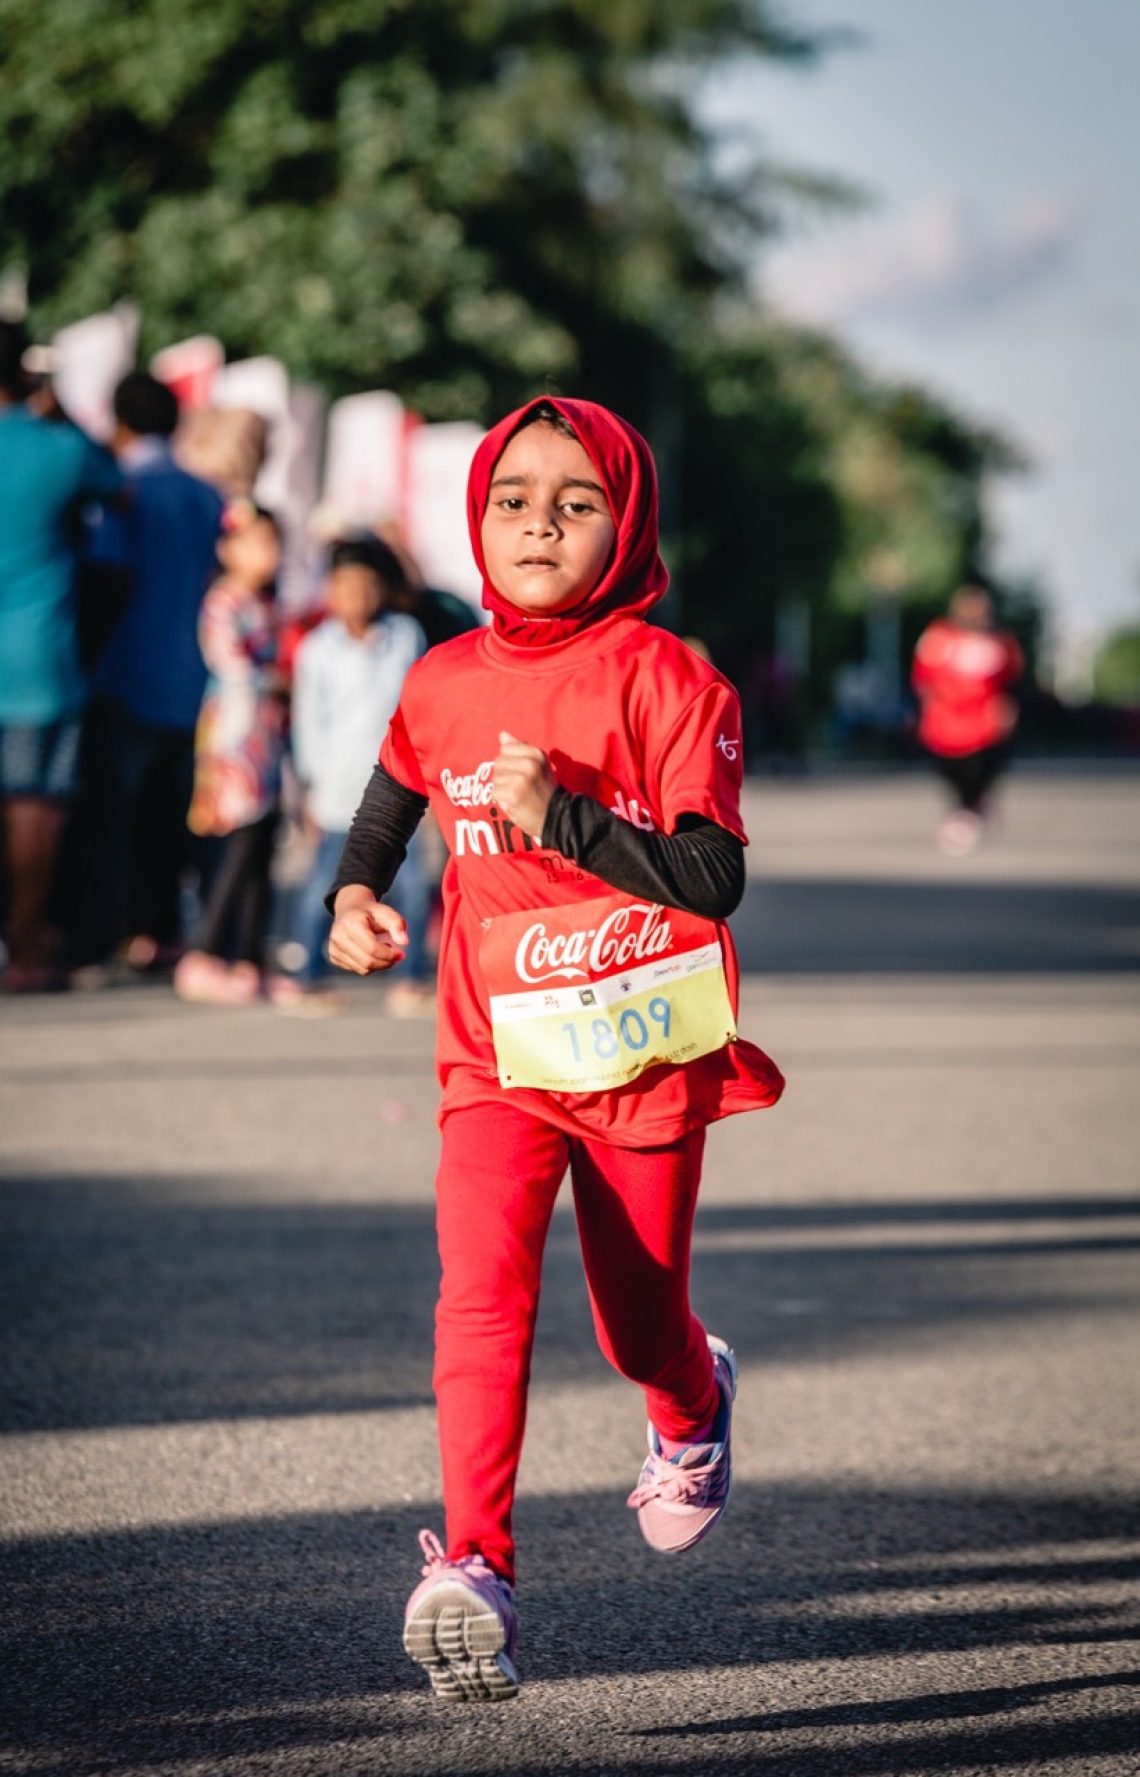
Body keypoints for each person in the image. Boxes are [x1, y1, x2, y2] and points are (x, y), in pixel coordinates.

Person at [325, 397, 785, 1701]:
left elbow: (712, 877)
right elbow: (390, 801)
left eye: (575, 501)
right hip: (493, 1058)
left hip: (640, 1055)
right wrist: (354, 898)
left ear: (626, 521)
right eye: (511, 497)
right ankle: (477, 1570)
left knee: (636, 1323)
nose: (538, 520)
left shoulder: (669, 677)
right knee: (480, 1298)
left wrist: (565, 820)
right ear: (475, 519)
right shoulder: (445, 676)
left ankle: (691, 1401)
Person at [71, 371, 224, 974]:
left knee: (111, 819)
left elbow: (108, 574)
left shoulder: (124, 489)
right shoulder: (206, 493)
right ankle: (160, 935)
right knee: (169, 820)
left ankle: (105, 935)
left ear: (120, 420)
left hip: (127, 672)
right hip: (192, 680)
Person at [0, 321, 123, 992]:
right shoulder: (54, 447)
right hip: (36, 655)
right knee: (34, 803)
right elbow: (117, 484)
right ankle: (23, 944)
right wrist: (56, 410)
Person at [282, 537, 427, 1014]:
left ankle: (410, 977)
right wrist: (308, 788)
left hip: (398, 786)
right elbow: (308, 723)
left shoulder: (404, 635)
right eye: (345, 587)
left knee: (411, 887)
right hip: (337, 788)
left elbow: (417, 708)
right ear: (329, 591)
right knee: (325, 886)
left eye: (366, 587)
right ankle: (308, 978)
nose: (357, 598)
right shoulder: (318, 649)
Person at [173, 504, 287, 1004]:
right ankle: (206, 952)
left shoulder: (264, 604)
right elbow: (234, 667)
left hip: (264, 735)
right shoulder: (223, 603)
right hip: (234, 738)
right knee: (238, 844)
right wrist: (275, 680)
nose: (269, 554)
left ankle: (248, 957)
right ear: (228, 550)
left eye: (273, 542)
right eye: (257, 542)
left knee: (262, 844)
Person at [912, 584, 1023, 855]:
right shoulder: (938, 637)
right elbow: (923, 676)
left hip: (985, 720)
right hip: (946, 719)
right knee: (949, 769)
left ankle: (969, 810)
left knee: (983, 766)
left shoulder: (1000, 641)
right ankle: (964, 807)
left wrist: (1007, 707)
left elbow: (1013, 678)